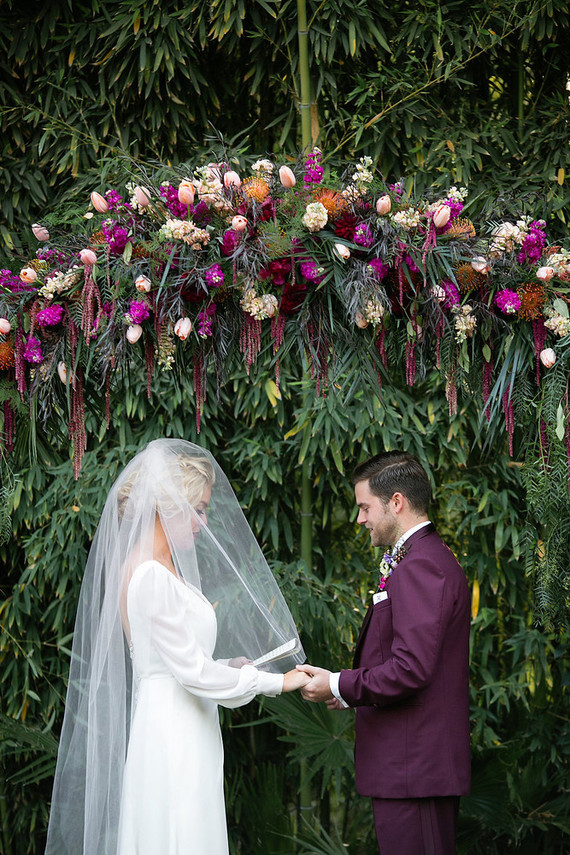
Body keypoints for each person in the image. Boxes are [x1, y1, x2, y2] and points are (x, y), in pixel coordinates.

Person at [45, 438, 309, 855]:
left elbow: (181, 661)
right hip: (172, 732)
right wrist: (279, 683)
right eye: (198, 509)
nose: (202, 523)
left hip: (187, 720)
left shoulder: (163, 570)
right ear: (166, 504)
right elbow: (190, 673)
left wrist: (229, 663)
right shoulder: (149, 574)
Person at [298, 451, 471, 855]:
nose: (359, 519)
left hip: (416, 770)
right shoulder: (422, 559)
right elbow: (404, 657)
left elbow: (410, 669)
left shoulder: (421, 566)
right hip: (411, 769)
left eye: (364, 507)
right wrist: (345, 690)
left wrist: (340, 683)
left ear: (396, 502)